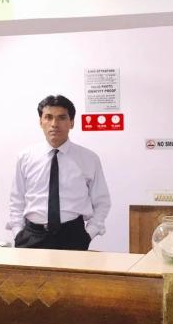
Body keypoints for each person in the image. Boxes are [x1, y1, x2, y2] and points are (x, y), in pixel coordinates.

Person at [7, 94, 111, 250]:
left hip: (73, 237)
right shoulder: (25, 157)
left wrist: (88, 234)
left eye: (62, 118)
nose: (54, 124)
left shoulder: (89, 158)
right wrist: (18, 233)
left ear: (71, 123)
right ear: (41, 122)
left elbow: (102, 201)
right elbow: (17, 199)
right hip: (31, 237)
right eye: (48, 117)